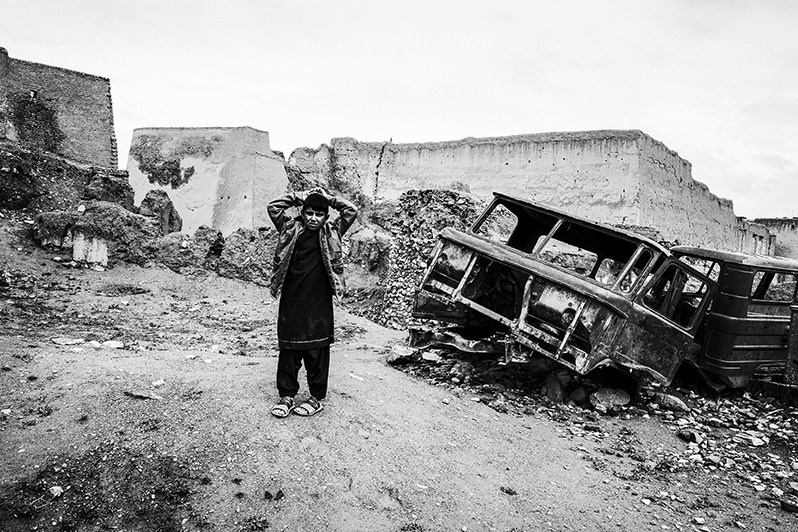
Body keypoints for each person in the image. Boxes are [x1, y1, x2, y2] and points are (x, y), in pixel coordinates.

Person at [266, 187, 358, 418]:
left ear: (326, 217)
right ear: (303, 213)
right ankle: (286, 396)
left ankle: (316, 398)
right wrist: (300, 196)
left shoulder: (333, 231)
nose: (314, 218)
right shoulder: (289, 228)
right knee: (288, 349)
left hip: (319, 302)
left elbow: (351, 210)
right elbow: (273, 207)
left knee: (317, 349)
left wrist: (327, 198)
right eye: (309, 213)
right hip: (292, 299)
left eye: (319, 214)